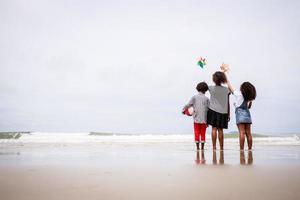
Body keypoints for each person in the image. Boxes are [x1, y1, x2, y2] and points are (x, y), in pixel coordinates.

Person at [224, 71, 257, 150]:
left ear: (242, 89)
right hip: (248, 116)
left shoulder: (239, 94)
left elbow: (229, 86)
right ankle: (250, 148)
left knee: (241, 132)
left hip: (240, 116)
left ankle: (241, 149)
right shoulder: (248, 98)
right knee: (248, 133)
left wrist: (224, 74)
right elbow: (248, 107)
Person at [207, 71, 231, 150]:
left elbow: (204, 86)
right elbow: (228, 102)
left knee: (214, 129)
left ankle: (214, 147)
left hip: (213, 110)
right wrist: (228, 113)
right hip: (223, 111)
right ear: (222, 79)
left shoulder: (211, 88)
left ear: (214, 79)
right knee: (220, 130)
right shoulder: (226, 90)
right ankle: (221, 147)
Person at [182, 82, 209, 150]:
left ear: (197, 89)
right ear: (205, 90)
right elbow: (209, 110)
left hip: (196, 119)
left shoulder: (194, 97)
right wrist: (208, 121)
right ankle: (202, 148)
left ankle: (197, 148)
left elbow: (188, 104)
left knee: (196, 133)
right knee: (203, 133)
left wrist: (183, 110)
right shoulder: (207, 99)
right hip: (204, 120)